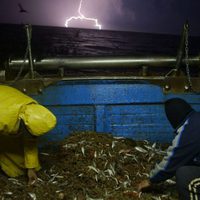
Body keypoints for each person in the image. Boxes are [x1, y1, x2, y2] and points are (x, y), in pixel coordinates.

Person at [137, 98, 200, 200]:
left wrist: (151, 180)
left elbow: (172, 159)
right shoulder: (196, 119)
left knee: (184, 175)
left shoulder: (189, 129)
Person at [0, 85, 57, 185]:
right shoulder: (3, 117)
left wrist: (31, 169)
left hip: (8, 107)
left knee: (16, 160)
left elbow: (30, 141)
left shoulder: (31, 110)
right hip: (4, 111)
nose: (31, 138)